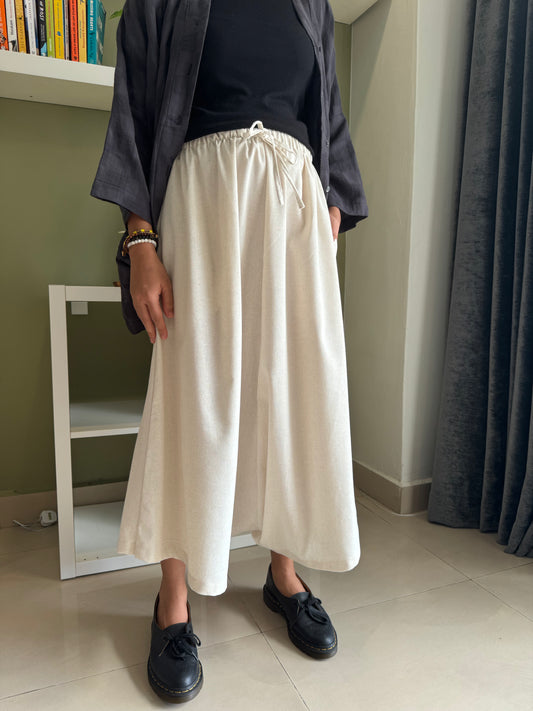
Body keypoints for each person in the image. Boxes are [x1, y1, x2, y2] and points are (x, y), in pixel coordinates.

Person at [91, 0, 368, 703]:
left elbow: (328, 114)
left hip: (294, 211)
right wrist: (141, 240)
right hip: (203, 204)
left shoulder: (310, 5)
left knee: (296, 394)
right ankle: (173, 599)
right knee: (195, 397)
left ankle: (284, 574)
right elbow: (134, 114)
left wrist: (333, 199)